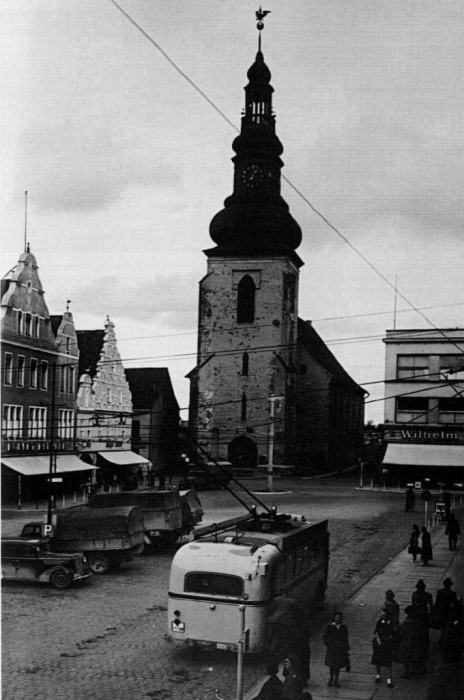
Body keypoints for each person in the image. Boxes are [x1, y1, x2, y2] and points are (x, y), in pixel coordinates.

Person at [323, 611, 350, 688]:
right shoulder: (330, 627)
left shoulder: (343, 627)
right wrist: (328, 643)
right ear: (334, 618)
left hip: (340, 650)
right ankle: (331, 678)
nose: (337, 619)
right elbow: (325, 637)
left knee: (338, 666)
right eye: (336, 617)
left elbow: (346, 638)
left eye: (339, 618)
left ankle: (336, 680)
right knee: (332, 665)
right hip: (332, 649)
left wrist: (346, 648)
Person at [411, 579, 434, 673]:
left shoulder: (425, 595)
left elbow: (431, 607)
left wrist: (431, 617)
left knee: (423, 637)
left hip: (422, 618)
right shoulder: (417, 595)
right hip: (419, 618)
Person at [371, 608, 394, 687]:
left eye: (384, 615)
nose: (382, 616)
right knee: (378, 660)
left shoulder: (391, 622)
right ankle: (378, 675)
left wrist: (387, 641)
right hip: (379, 643)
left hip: (387, 644)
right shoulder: (379, 622)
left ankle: (389, 680)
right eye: (382, 614)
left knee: (388, 663)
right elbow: (376, 631)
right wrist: (378, 640)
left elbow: (391, 634)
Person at [398, 606, 422, 678]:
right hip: (415, 641)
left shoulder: (407, 622)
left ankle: (407, 673)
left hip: (407, 641)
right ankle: (413, 672)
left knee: (406, 659)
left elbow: (402, 632)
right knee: (413, 658)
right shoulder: (417, 621)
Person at [384, 589, 400, 659]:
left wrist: (395, 624)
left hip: (392, 623)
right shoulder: (387, 603)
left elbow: (396, 615)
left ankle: (395, 654)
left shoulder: (395, 605)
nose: (386, 597)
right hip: (387, 622)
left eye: (388, 595)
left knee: (394, 639)